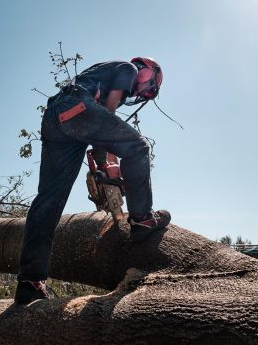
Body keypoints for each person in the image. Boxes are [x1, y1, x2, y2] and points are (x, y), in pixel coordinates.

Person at [15, 57, 171, 304]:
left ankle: (30, 281)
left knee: (49, 200)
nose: (143, 92)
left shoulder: (99, 77)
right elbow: (109, 110)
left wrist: (104, 162)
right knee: (138, 147)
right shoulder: (128, 68)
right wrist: (102, 149)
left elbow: (101, 123)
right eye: (148, 87)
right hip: (77, 108)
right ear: (147, 73)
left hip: (57, 119)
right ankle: (142, 218)